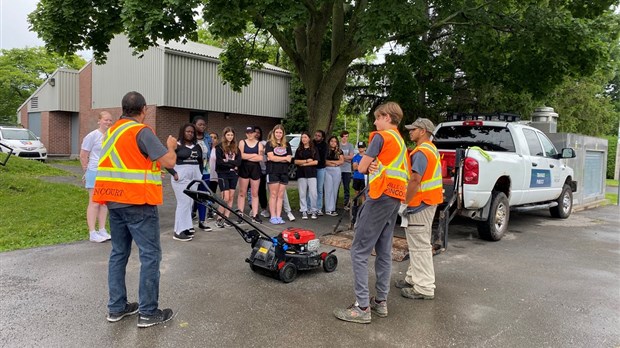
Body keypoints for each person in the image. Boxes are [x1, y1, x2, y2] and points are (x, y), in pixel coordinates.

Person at [93, 91, 176, 328]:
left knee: (119, 254)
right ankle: (149, 312)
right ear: (144, 110)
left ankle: (116, 307)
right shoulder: (141, 131)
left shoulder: (111, 132)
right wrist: (170, 146)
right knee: (150, 255)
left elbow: (128, 160)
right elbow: (168, 161)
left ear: (123, 109)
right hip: (138, 203)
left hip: (114, 202)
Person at [333, 101, 409, 324]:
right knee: (384, 251)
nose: (375, 122)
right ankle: (380, 302)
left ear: (386, 117)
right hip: (394, 198)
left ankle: (362, 307)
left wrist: (369, 163)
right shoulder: (400, 142)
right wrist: (374, 163)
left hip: (379, 197)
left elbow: (361, 167)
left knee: (358, 250)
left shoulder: (381, 136)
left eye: (377, 118)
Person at [396, 118, 443, 300]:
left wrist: (404, 203)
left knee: (420, 245)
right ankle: (413, 278)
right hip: (428, 202)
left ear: (423, 131)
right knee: (417, 244)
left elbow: (415, 180)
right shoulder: (430, 150)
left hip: (420, 203)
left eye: (413, 129)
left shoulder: (422, 152)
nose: (410, 132)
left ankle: (423, 287)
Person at [167, 123, 207, 241]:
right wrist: (174, 173)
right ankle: (178, 231)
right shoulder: (176, 145)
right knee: (183, 202)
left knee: (190, 202)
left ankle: (187, 227)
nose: (190, 134)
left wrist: (199, 174)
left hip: (194, 176)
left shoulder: (197, 146)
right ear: (182, 132)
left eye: (192, 132)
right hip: (181, 175)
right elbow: (166, 161)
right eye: (187, 131)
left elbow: (201, 161)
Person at [80, 111, 113, 243]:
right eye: (106, 120)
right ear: (99, 121)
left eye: (110, 120)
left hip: (106, 173)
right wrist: (86, 170)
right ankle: (92, 232)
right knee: (94, 202)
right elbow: (83, 155)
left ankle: (102, 229)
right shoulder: (92, 136)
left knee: (104, 203)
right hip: (94, 171)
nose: (108, 123)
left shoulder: (111, 136)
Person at [215, 127, 242, 228]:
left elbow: (239, 162)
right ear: (224, 135)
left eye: (231, 135)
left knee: (231, 197)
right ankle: (219, 218)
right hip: (223, 174)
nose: (230, 137)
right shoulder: (219, 147)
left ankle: (226, 218)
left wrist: (228, 162)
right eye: (228, 135)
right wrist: (232, 164)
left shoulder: (236, 148)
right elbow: (219, 162)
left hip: (233, 174)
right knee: (225, 197)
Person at [265, 124, 292, 224]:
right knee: (273, 194)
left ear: (283, 133)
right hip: (272, 171)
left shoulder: (287, 145)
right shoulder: (269, 144)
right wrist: (283, 158)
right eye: (277, 132)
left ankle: (278, 216)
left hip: (284, 172)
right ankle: (273, 216)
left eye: (280, 132)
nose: (278, 134)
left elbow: (289, 159)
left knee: (280, 195)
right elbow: (271, 157)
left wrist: (279, 159)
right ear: (273, 133)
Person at [237, 126, 264, 223]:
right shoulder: (242, 142)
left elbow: (260, 158)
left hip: (255, 169)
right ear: (246, 134)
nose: (250, 134)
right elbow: (241, 156)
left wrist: (247, 156)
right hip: (244, 168)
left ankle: (255, 214)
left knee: (254, 193)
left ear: (255, 133)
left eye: (251, 132)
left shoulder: (259, 144)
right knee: (242, 192)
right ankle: (240, 213)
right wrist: (254, 155)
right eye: (248, 133)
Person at [193, 117, 214, 229]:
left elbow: (209, 153)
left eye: (204, 125)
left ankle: (202, 221)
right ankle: (186, 223)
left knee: (203, 196)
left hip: (205, 171)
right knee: (190, 196)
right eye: (199, 124)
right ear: (194, 125)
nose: (202, 127)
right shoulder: (189, 137)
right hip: (192, 171)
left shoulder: (208, 138)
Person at [294, 131, 319, 219]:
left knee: (313, 193)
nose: (303, 139)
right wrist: (306, 161)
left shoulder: (314, 149)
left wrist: (305, 164)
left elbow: (315, 161)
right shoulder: (299, 149)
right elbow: (296, 161)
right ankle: (303, 210)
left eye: (305, 137)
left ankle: (313, 210)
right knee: (302, 193)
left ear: (309, 138)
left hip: (311, 174)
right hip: (301, 174)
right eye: (302, 137)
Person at [324, 135, 344, 216]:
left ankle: (333, 208)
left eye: (335, 141)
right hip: (327, 170)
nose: (333, 143)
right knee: (328, 189)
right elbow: (325, 161)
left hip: (336, 170)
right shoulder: (326, 151)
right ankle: (328, 209)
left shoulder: (339, 151)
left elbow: (341, 161)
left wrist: (333, 163)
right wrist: (334, 163)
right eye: (331, 141)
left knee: (335, 189)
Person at [254, 126, 270, 218]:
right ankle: (253, 208)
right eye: (255, 132)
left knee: (262, 190)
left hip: (264, 170)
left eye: (258, 132)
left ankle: (264, 209)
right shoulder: (249, 143)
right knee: (254, 191)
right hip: (254, 170)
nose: (256, 134)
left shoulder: (264, 143)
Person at [312, 130, 328, 215]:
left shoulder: (324, 145)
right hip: (312, 168)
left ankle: (319, 207)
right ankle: (310, 207)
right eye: (316, 135)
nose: (317, 137)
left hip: (321, 168)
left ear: (322, 137)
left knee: (319, 189)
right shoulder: (312, 143)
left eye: (319, 135)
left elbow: (323, 156)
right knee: (311, 189)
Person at [339, 130, 355, 209]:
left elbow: (351, 157)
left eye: (347, 136)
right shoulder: (338, 145)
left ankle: (346, 204)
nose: (345, 138)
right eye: (344, 136)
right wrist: (346, 158)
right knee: (336, 187)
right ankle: (334, 203)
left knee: (346, 187)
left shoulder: (350, 145)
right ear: (341, 137)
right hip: (338, 168)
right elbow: (336, 156)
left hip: (347, 169)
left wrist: (341, 157)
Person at [351, 141, 367, 206]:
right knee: (356, 192)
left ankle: (363, 207)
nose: (361, 149)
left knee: (363, 193)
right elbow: (354, 168)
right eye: (359, 147)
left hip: (364, 177)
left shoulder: (367, 157)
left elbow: (367, 168)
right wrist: (363, 167)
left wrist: (359, 166)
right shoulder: (355, 157)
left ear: (365, 148)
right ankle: (356, 206)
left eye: (362, 147)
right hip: (357, 177)